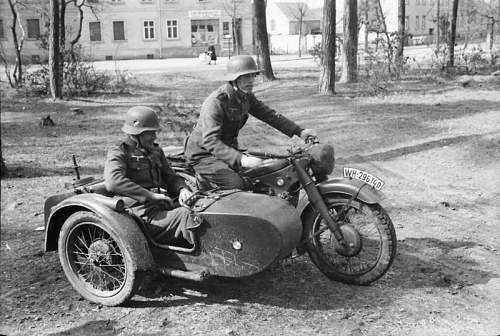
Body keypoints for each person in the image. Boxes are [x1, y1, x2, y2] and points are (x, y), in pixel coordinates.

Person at [185, 55, 316, 190]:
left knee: (264, 175)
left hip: (226, 151)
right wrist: (241, 159)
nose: (251, 80)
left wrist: (299, 131)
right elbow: (210, 141)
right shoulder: (217, 102)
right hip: (204, 155)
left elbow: (269, 115)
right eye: (246, 76)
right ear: (234, 79)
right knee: (236, 185)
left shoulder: (245, 97)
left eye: (253, 75)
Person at [104, 106, 198, 245]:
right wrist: (150, 195)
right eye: (149, 133)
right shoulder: (119, 152)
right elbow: (113, 182)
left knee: (201, 206)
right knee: (188, 216)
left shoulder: (155, 150)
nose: (154, 137)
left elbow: (170, 177)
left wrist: (182, 189)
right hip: (140, 215)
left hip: (161, 207)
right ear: (135, 134)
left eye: (154, 132)